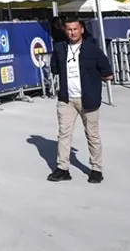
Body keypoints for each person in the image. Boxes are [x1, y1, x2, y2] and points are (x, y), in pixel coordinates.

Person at [48, 17, 113, 184]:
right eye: (69, 29)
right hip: (66, 99)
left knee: (92, 135)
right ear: (65, 30)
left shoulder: (93, 50)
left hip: (88, 99)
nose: (72, 32)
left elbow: (108, 73)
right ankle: (62, 168)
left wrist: (93, 79)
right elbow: (54, 69)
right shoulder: (60, 49)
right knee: (64, 134)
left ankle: (96, 169)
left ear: (82, 30)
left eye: (75, 29)